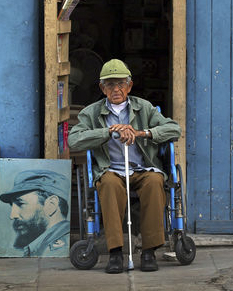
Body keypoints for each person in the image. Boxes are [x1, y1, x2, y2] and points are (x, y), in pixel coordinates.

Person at [68, 59, 181, 273]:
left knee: (155, 181)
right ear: (102, 88)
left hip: (141, 168)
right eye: (110, 85)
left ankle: (148, 251)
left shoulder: (144, 108)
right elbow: (74, 140)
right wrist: (108, 132)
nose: (116, 89)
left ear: (129, 86)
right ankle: (116, 253)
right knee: (108, 184)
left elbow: (174, 129)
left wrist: (143, 133)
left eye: (121, 84)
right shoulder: (90, 113)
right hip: (112, 169)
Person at [0, 169, 70, 257]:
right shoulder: (41, 247)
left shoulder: (57, 251)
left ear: (51, 205)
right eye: (12, 205)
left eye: (21, 204)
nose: (12, 216)